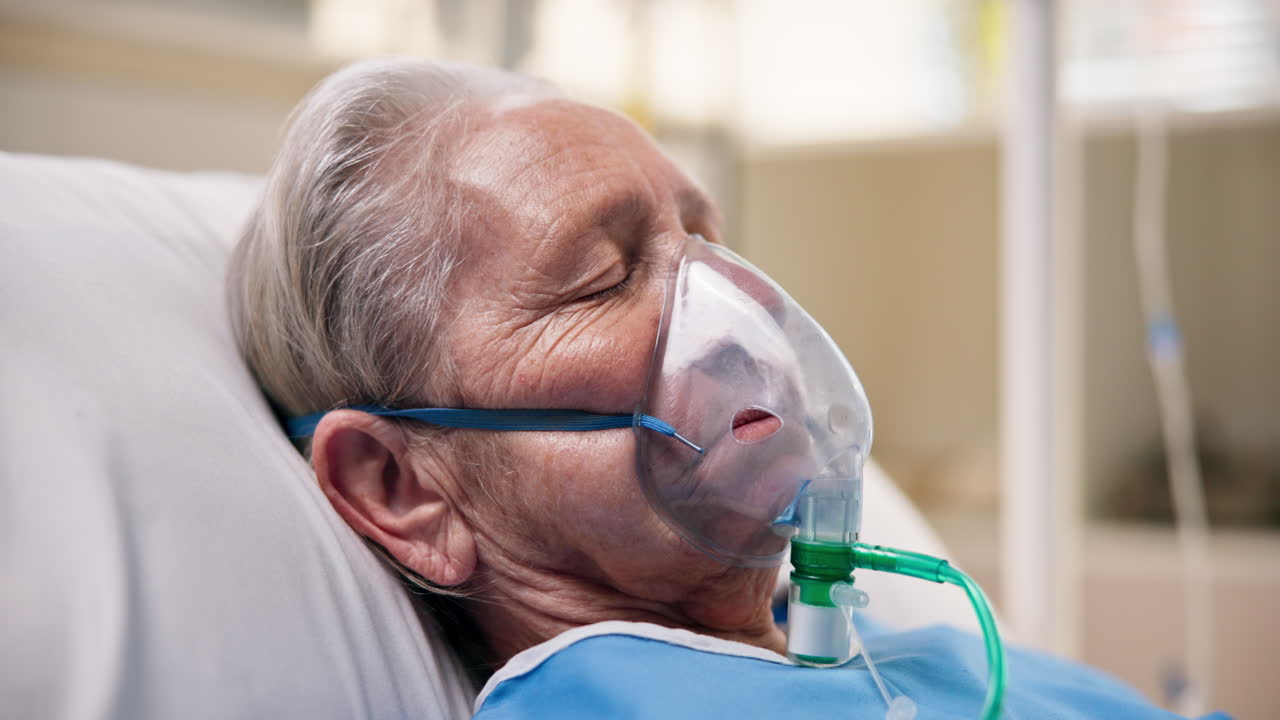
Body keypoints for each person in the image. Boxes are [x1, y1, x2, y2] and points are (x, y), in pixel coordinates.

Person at [229, 58, 1228, 719]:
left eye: (708, 244)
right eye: (603, 276)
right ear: (403, 489)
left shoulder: (890, 646)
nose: (738, 319)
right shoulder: (610, 699)